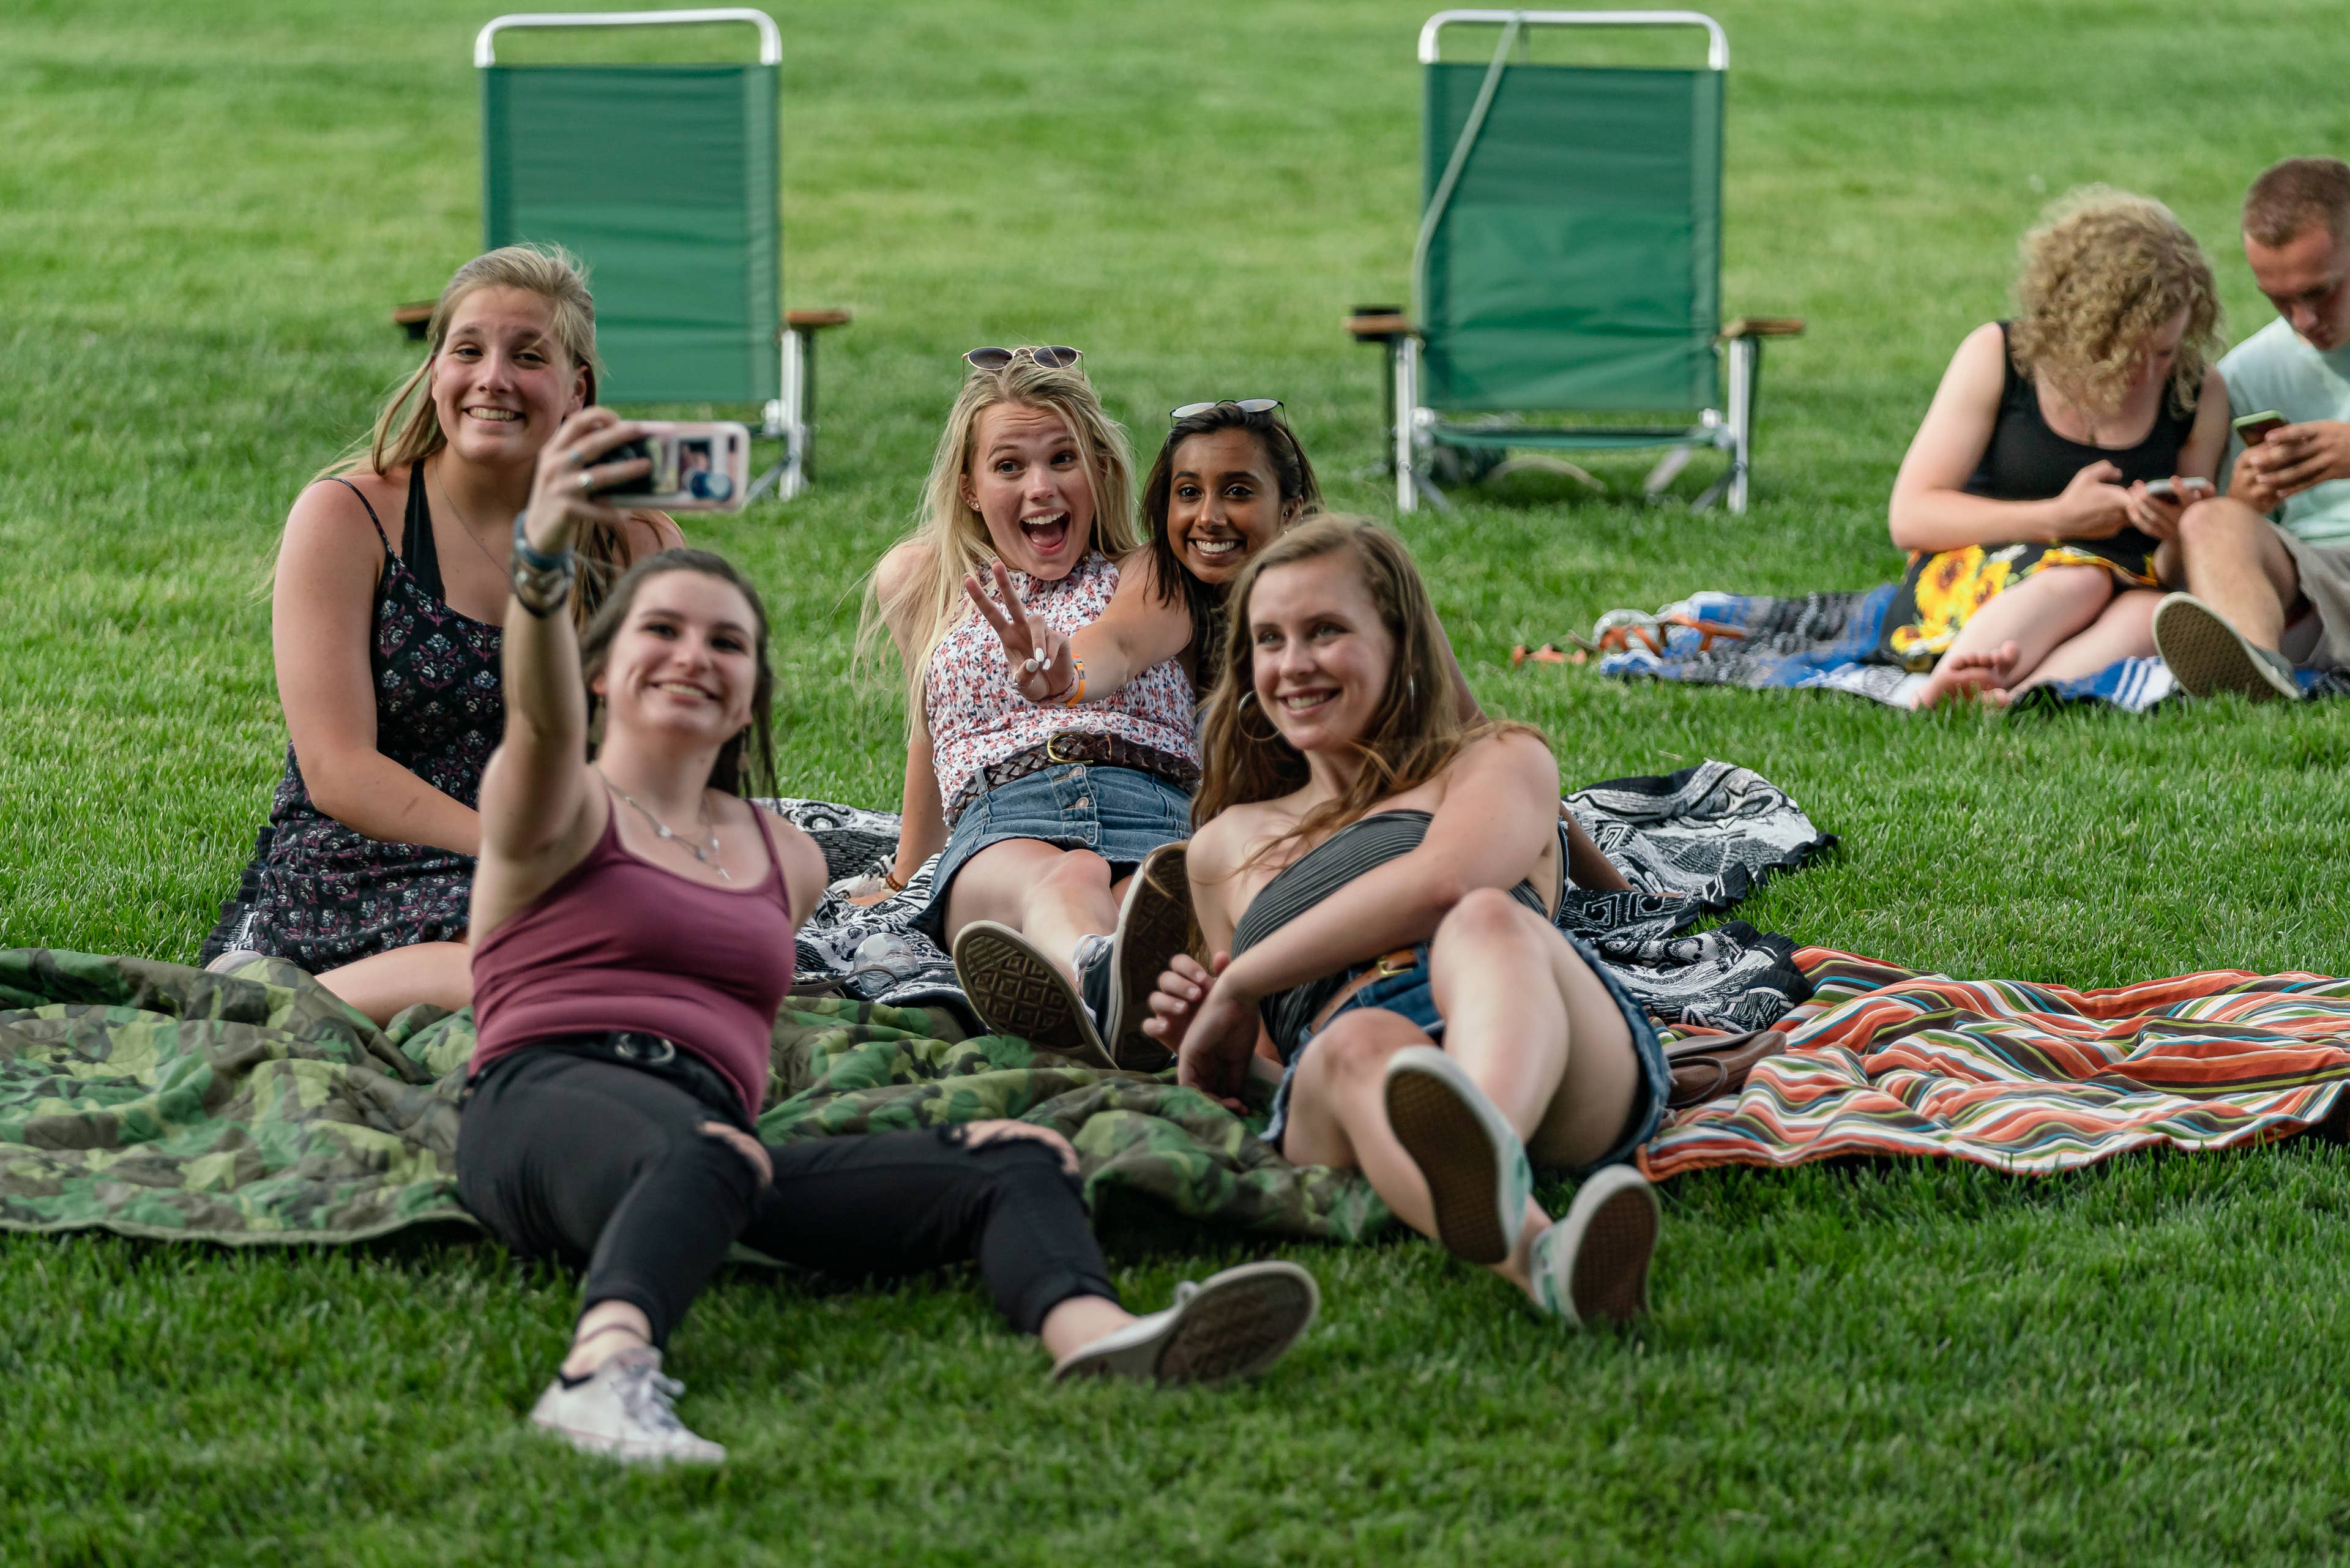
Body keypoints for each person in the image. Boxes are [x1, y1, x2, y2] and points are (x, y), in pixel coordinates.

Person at [456, 407, 1320, 1465]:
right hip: (544, 1108)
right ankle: (603, 1368)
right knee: (708, 1151)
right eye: (662, 632)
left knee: (1019, 1157)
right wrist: (543, 556)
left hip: (716, 1147)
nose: (696, 656)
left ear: (750, 700)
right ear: (596, 669)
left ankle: (1103, 1336)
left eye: (727, 641)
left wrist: (905, 876)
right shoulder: (556, 800)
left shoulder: (787, 855)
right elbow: (537, 715)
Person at [1141, 515, 1673, 1325]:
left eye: (1326, 630)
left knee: (1487, 917)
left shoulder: (1494, 760)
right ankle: (1545, 1260)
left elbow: (1447, 882)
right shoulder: (1221, 849)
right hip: (1357, 1073)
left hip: (1545, 1042)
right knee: (1356, 1044)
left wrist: (1242, 977)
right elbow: (1263, 1074)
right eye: (1271, 639)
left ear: (1398, 641)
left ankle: (1479, 1135)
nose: (1295, 664)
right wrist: (1212, 1055)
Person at [203, 245, 680, 1022]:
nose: (493, 378)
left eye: (529, 356)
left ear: (575, 388)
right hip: (366, 861)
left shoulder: (632, 543)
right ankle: (275, 1004)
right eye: (468, 350)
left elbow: (658, 753)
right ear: (435, 373)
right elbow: (338, 769)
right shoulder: (350, 517)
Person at [860, 349, 1201, 1066]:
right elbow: (932, 738)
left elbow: (1122, 643)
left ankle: (1107, 1002)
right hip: (1002, 821)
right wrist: (904, 872)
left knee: (1151, 900)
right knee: (1069, 878)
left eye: (1062, 459)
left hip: (1151, 807)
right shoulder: (923, 581)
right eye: (1009, 465)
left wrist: (1063, 675)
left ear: (1100, 470)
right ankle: (1105, 987)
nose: (1040, 487)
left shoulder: (1145, 571)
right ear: (972, 488)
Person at [1886, 188, 2228, 707]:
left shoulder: (2197, 392)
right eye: (2131, 353)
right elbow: (1910, 517)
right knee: (2081, 579)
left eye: (2166, 350)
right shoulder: (2000, 357)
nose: (2154, 371)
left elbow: (2176, 572)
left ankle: (2012, 697)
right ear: (2086, 326)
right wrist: (2058, 518)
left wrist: (2178, 532)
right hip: (1975, 578)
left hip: (2121, 590)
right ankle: (1948, 681)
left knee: (2153, 615)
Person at [2154, 159, 2350, 700]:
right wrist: (2245, 501)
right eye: (2280, 301)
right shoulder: (2246, 373)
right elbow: (2198, 551)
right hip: (2318, 580)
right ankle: (2258, 674)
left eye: (2320, 292)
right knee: (2211, 521)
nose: (2304, 320)